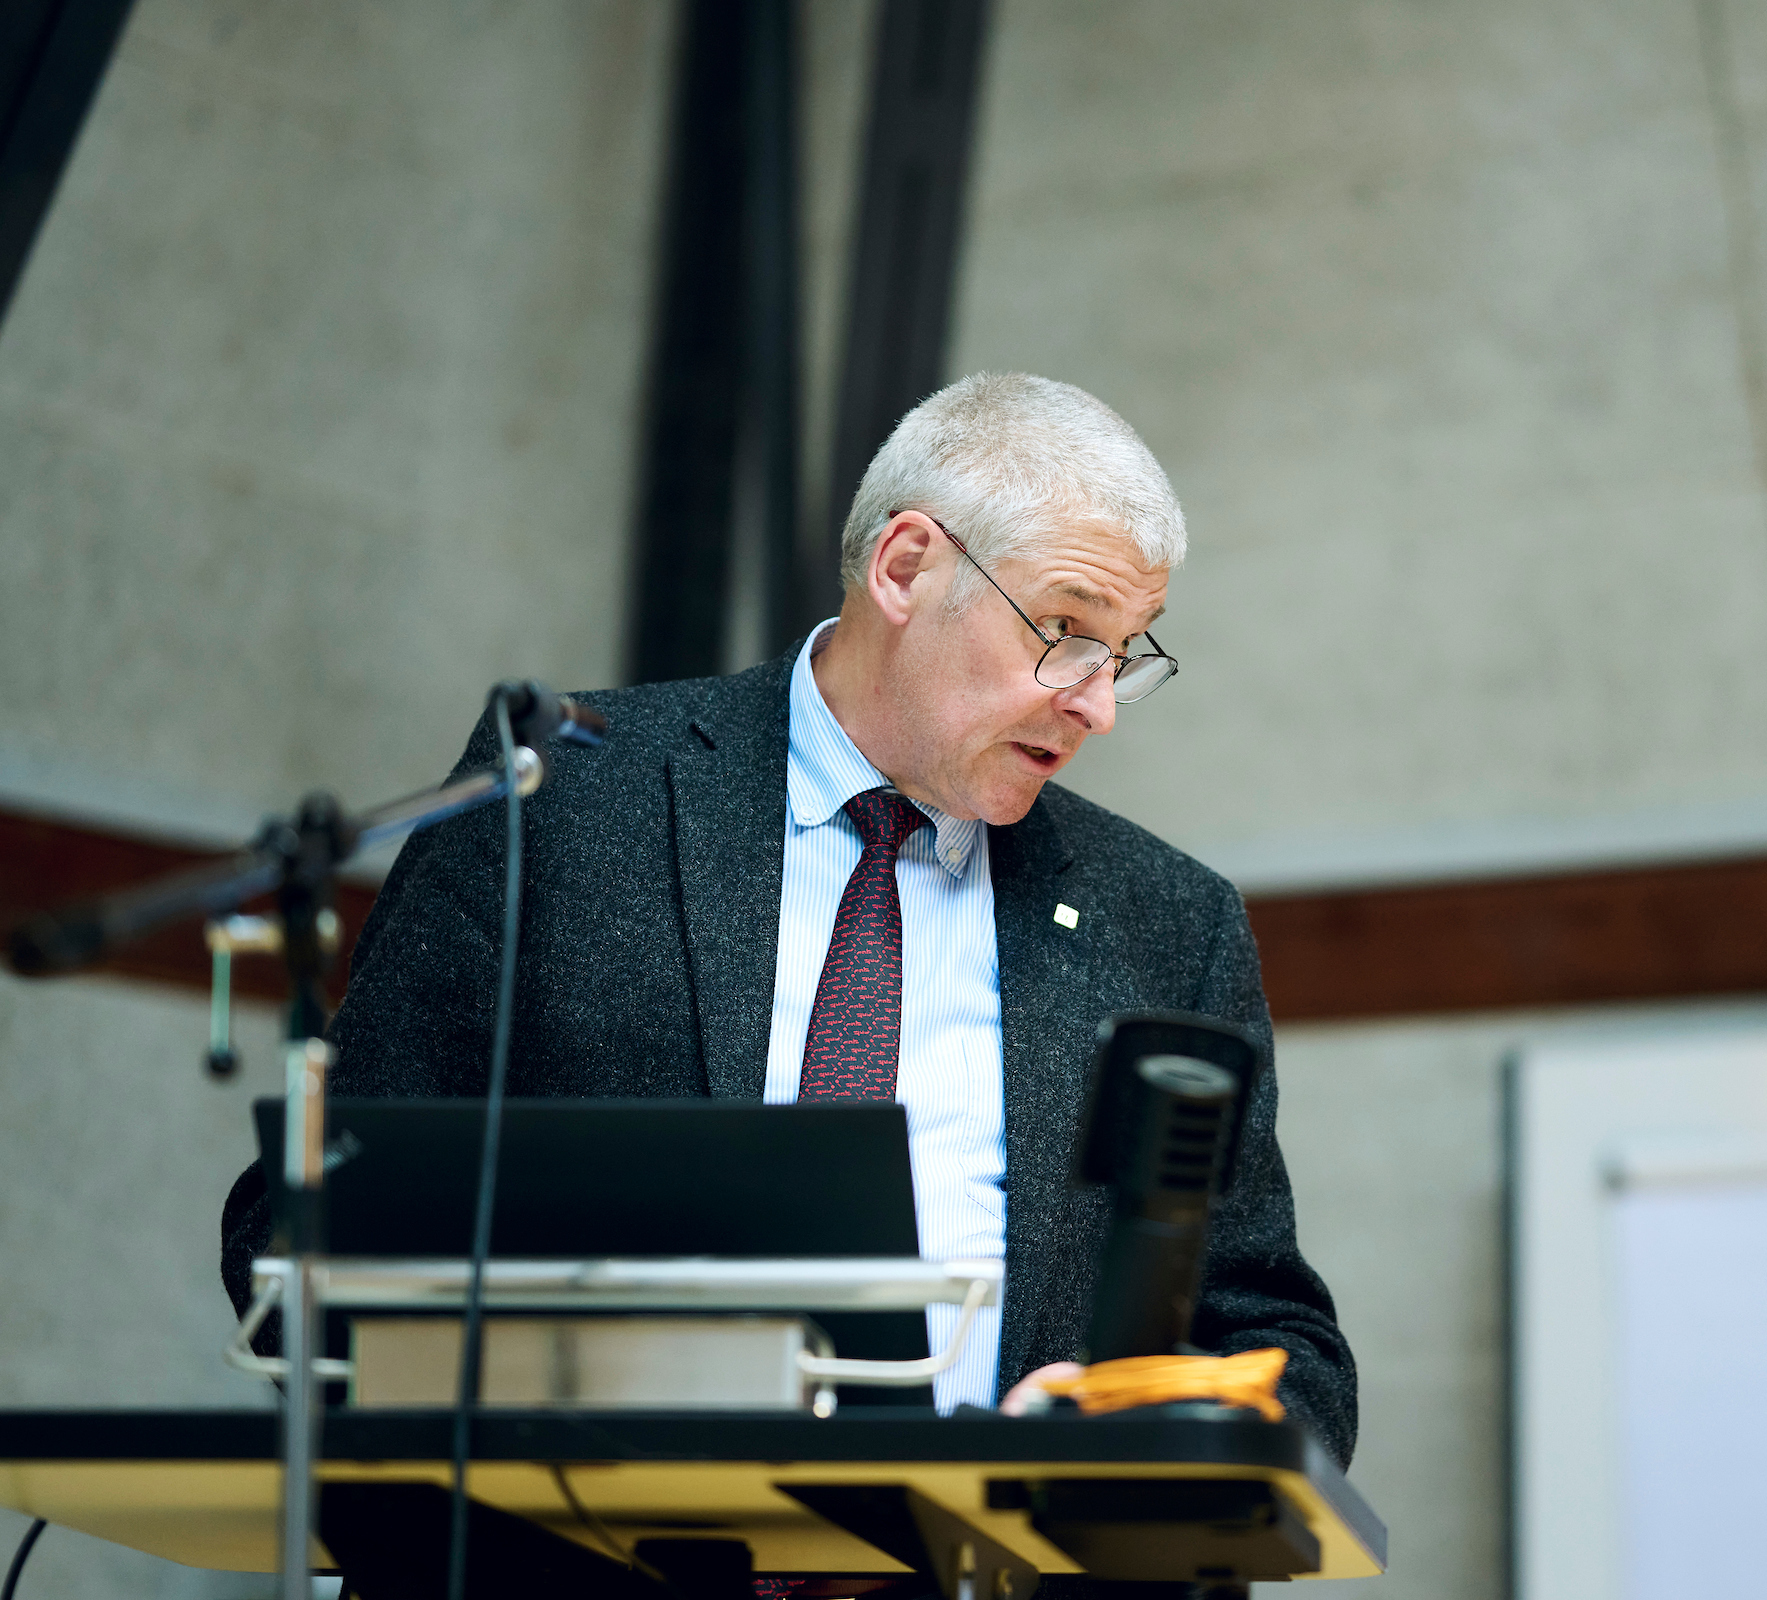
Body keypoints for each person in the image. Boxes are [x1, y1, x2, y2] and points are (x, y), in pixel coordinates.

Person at [218, 372, 1355, 1463]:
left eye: (1126, 652)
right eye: (1065, 628)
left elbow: (1283, 1352)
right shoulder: (557, 798)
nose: (1098, 705)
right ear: (907, 566)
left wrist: (1144, 1436)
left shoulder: (1164, 922)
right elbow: (310, 1223)